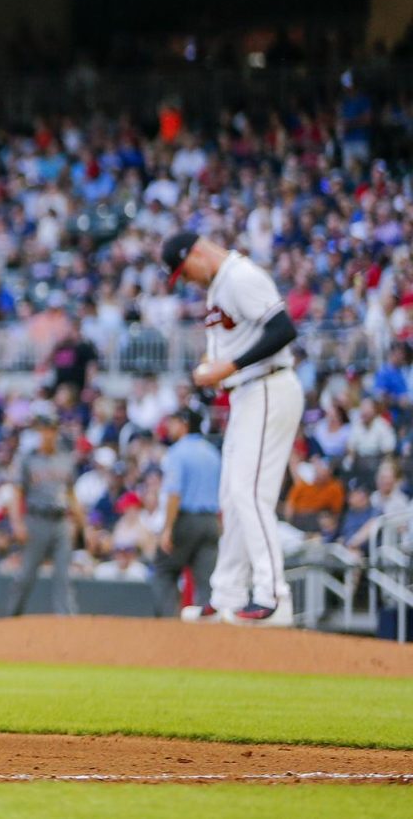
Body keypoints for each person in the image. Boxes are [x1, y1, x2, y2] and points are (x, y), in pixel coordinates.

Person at [163, 232, 304, 627]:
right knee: (232, 493)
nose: (186, 279)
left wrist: (229, 367)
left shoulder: (240, 276)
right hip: (247, 394)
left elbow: (282, 329)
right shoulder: (218, 288)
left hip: (268, 386)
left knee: (250, 492)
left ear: (196, 252)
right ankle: (225, 595)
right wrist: (213, 366)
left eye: (183, 270)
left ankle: (273, 595)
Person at [4, 414, 81, 617]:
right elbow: (17, 493)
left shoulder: (66, 458)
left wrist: (84, 526)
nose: (47, 434)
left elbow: (72, 495)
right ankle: (11, 617)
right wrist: (16, 522)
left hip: (61, 521)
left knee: (63, 576)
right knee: (26, 575)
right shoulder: (28, 458)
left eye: (51, 429)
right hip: (36, 520)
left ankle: (68, 623)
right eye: (43, 429)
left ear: (56, 432)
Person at [152, 407, 222, 619]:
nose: (169, 427)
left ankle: (168, 625)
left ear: (183, 424)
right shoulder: (212, 452)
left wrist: (167, 529)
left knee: (164, 570)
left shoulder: (177, 452)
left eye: (172, 422)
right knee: (207, 580)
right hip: (211, 521)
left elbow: (174, 494)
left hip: (186, 520)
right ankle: (206, 630)